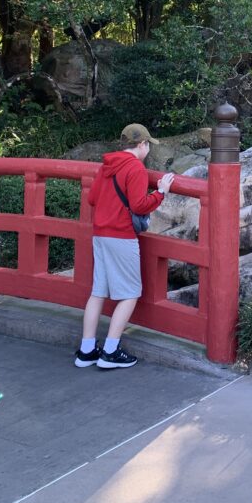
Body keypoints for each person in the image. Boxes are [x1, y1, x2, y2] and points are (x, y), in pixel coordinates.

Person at [74, 123, 175, 369]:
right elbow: (139, 205)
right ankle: (110, 351)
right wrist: (161, 192)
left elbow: (92, 198)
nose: (148, 148)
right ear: (141, 145)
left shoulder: (107, 166)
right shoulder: (136, 169)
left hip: (101, 234)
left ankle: (87, 350)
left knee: (98, 292)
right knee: (130, 293)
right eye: (148, 144)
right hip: (121, 235)